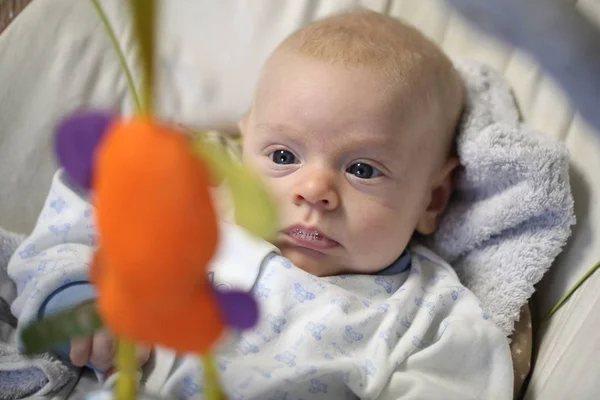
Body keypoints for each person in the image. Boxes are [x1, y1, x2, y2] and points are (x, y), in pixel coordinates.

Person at [8, 9, 513, 399]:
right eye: (284, 155)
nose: (313, 191)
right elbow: (77, 220)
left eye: (362, 169)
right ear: (245, 147)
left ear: (434, 197)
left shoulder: (426, 318)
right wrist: (75, 301)